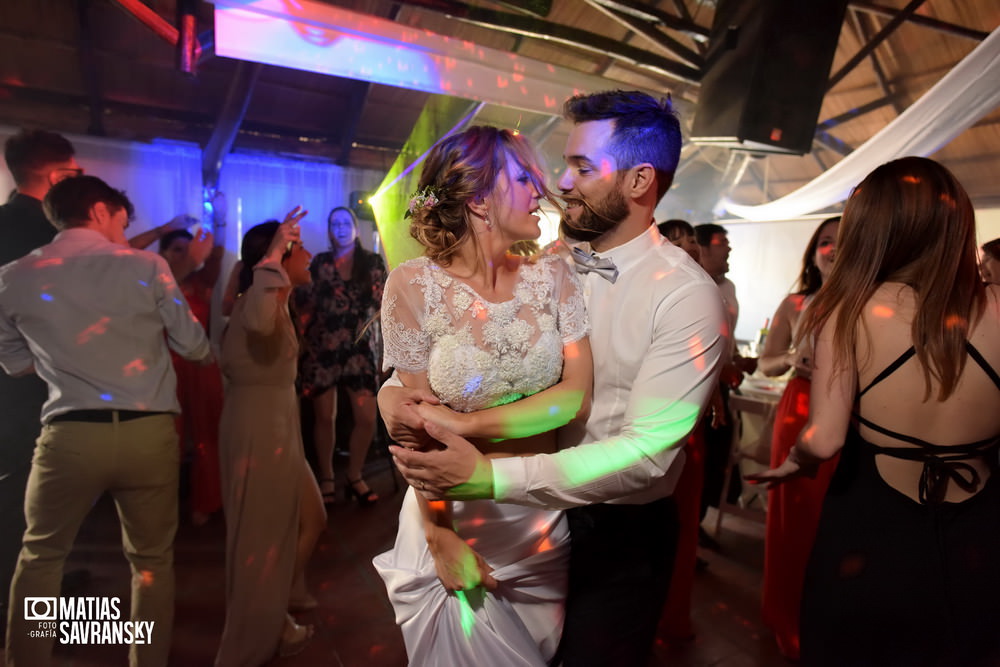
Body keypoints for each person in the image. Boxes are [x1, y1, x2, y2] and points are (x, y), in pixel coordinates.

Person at [385, 90, 727, 665]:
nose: (558, 184)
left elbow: (645, 455)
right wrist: (393, 395)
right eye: (563, 165)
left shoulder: (687, 297)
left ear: (640, 181)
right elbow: (435, 361)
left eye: (582, 167)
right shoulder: (548, 263)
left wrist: (490, 475)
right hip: (530, 513)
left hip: (618, 531)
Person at [749, 157, 1000, 666]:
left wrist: (795, 460)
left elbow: (824, 439)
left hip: (875, 530)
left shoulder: (848, 308)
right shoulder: (997, 304)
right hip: (981, 530)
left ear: (872, 227)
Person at [372, 125, 592, 665]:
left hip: (539, 516)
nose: (539, 193)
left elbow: (574, 398)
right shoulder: (411, 285)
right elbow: (416, 428)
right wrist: (439, 535)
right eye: (522, 179)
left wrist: (465, 425)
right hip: (455, 514)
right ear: (477, 198)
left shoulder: (554, 277)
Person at [1, 175, 211, 666]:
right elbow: (196, 347)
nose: (123, 231)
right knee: (151, 563)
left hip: (69, 435)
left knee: (41, 558)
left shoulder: (14, 275)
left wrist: (71, 359)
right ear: (99, 211)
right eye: (121, 219)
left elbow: (12, 363)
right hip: (147, 433)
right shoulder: (147, 266)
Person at [215, 214, 327, 665]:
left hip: (277, 423)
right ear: (277, 257)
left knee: (311, 517)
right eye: (298, 248)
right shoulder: (259, 298)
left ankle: (276, 604)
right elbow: (260, 326)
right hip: (259, 428)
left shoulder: (274, 297)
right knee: (260, 540)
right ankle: (261, 631)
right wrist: (274, 252)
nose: (309, 255)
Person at [0, 130, 82, 632]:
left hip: (16, 382)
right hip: (35, 384)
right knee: (30, 498)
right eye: (73, 175)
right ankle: (28, 609)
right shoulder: (42, 234)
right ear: (56, 177)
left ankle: (37, 594)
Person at [755, 215, 841, 659]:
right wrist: (792, 355)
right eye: (824, 241)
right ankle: (788, 615)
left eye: (841, 241)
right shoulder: (795, 302)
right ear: (812, 251)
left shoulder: (869, 300)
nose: (831, 249)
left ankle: (833, 618)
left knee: (838, 519)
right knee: (797, 517)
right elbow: (764, 365)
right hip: (801, 407)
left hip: (850, 416)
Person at [294, 206, 387, 505]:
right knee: (324, 417)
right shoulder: (319, 263)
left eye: (346, 222)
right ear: (329, 229)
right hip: (324, 348)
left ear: (356, 229)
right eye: (335, 223)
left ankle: (355, 475)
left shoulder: (371, 262)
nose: (341, 227)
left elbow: (385, 302)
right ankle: (327, 478)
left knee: (366, 417)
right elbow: (301, 300)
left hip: (360, 350)